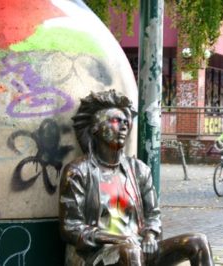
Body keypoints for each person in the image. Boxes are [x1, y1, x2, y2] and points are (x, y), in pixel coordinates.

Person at [59, 90, 214, 266]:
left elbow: (153, 215)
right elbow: (70, 227)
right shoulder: (79, 171)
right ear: (96, 128)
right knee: (130, 252)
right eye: (116, 121)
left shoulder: (138, 169)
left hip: (139, 248)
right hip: (97, 255)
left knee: (197, 242)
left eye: (126, 122)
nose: (124, 126)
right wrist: (117, 239)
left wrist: (150, 235)